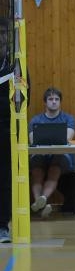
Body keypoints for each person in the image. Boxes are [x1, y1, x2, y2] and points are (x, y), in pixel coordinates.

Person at [28, 87, 75, 218]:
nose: (54, 102)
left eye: (56, 99)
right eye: (50, 99)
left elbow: (67, 138)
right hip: (41, 154)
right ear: (45, 102)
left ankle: (42, 199)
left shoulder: (68, 119)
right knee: (37, 171)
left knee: (54, 169)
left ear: (60, 102)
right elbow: (33, 140)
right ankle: (41, 203)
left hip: (61, 155)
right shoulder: (35, 120)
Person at [0, 19, 13, 241]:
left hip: (6, 130)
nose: (0, 37)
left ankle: (2, 226)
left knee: (4, 177)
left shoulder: (15, 64)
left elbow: (23, 98)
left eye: (3, 32)